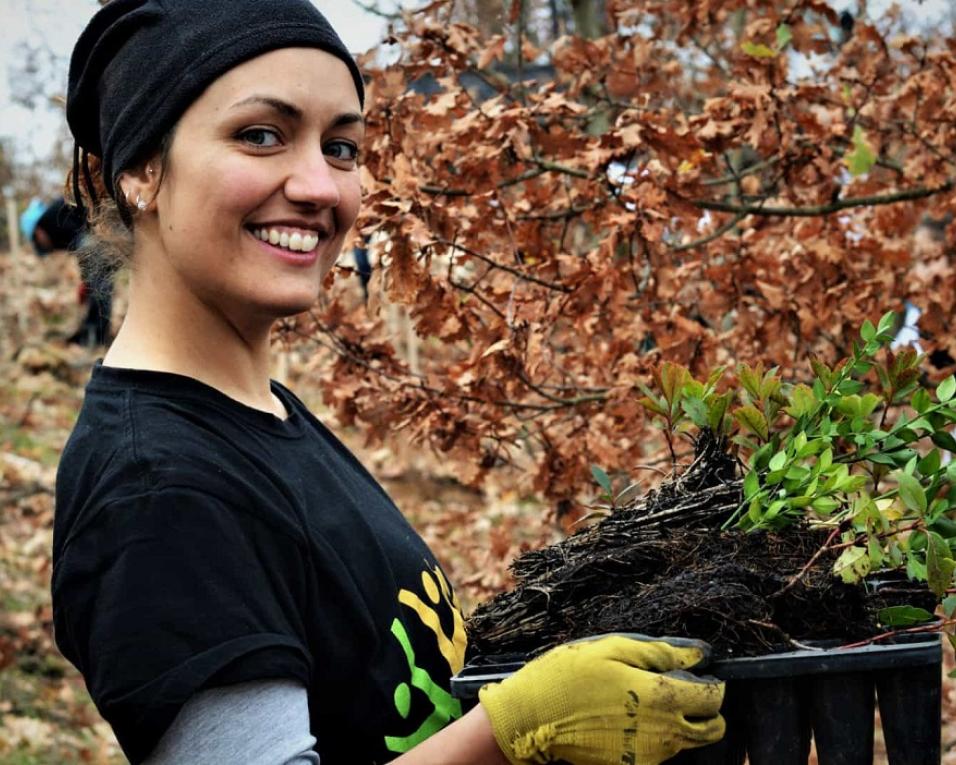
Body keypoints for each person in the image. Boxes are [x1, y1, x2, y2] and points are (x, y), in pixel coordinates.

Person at [51, 2, 726, 764]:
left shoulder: (258, 414)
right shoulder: (159, 493)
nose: (317, 184)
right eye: (261, 135)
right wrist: (511, 731)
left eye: (341, 146)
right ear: (141, 169)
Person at [20, 194, 113, 345]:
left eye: (39, 243)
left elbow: (84, 244)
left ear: (38, 232)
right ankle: (94, 332)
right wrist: (85, 282)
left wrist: (86, 281)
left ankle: (97, 336)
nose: (46, 247)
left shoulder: (51, 221)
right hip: (99, 237)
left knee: (99, 288)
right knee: (97, 287)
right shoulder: (56, 220)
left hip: (101, 236)